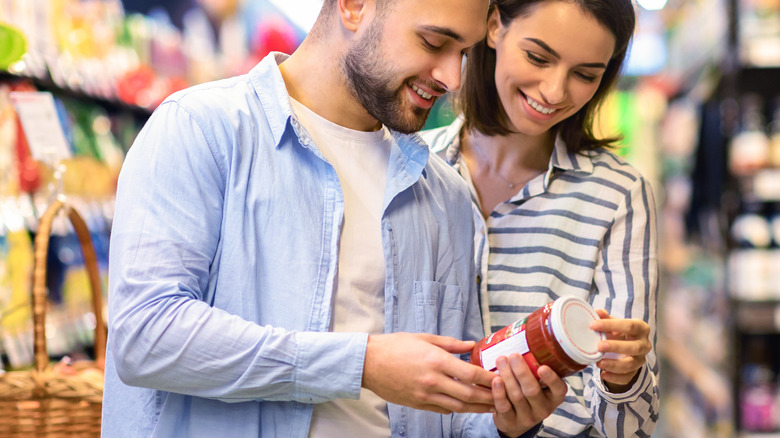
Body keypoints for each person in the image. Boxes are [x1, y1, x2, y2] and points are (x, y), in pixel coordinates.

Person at [101, 0, 569, 437]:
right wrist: (361, 364)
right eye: (433, 42)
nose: (452, 76)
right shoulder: (202, 130)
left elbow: (449, 413)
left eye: (464, 53)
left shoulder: (444, 197)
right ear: (352, 5)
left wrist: (505, 422)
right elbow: (147, 336)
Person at [422, 0, 660, 436]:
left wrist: (622, 376)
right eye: (538, 57)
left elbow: (630, 428)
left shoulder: (618, 193)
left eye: (585, 75)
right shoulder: (413, 167)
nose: (554, 91)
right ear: (494, 26)